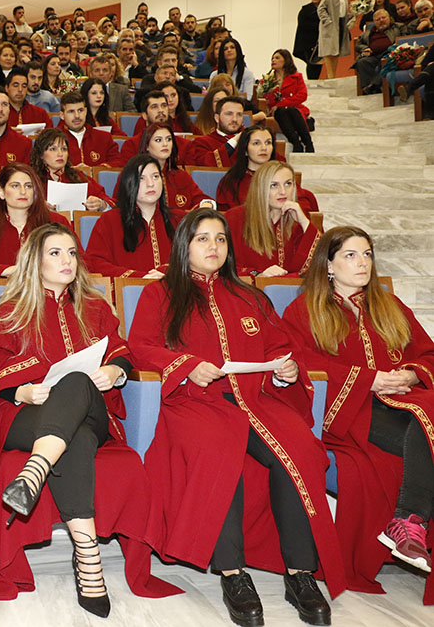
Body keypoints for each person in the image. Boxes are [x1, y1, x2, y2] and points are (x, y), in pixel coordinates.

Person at [128, 208, 343, 627]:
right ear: (184, 246)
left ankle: (300, 572)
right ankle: (233, 574)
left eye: (221, 239)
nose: (214, 246)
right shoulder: (160, 293)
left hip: (257, 399)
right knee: (217, 451)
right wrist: (186, 364)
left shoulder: (251, 296)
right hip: (195, 402)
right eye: (203, 239)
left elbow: (279, 346)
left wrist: (285, 369)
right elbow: (141, 346)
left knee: (300, 450)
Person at [0, 223, 183, 613]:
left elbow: (122, 351)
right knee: (75, 439)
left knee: (75, 381)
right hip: (29, 415)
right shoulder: (11, 310)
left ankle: (34, 472)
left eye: (72, 253)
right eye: (55, 253)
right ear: (35, 261)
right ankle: (88, 555)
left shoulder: (95, 307)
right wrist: (21, 391)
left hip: (91, 413)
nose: (67, 261)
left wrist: (115, 371)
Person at [281, 226, 434, 600]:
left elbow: (427, 353)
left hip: (406, 404)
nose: (362, 262)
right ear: (328, 264)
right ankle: (410, 521)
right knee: (425, 423)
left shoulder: (390, 305)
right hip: (350, 412)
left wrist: (413, 373)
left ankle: (406, 520)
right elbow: (302, 363)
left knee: (425, 415)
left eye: (367, 254)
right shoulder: (304, 310)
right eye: (350, 255)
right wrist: (369, 379)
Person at [0, 163, 72, 278]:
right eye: (15, 186)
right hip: (2, 288)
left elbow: (76, 258)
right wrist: (5, 270)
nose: (23, 191)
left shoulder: (56, 223)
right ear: (2, 192)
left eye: (28, 186)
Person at [85, 154, 182, 279]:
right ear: (129, 183)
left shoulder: (179, 220)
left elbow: (194, 262)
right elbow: (94, 263)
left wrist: (166, 273)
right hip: (128, 290)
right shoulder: (109, 220)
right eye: (141, 178)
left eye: (155, 176)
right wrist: (139, 278)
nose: (151, 184)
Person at [224, 161, 321, 278]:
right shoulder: (234, 218)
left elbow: (320, 265)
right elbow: (225, 266)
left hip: (289, 288)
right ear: (260, 189)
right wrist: (258, 275)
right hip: (247, 287)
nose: (283, 192)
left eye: (288, 184)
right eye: (274, 185)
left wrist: (304, 222)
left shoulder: (297, 222)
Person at [216, 125, 318, 213]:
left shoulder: (282, 175)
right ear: (245, 150)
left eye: (268, 142)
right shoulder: (232, 181)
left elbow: (301, 202)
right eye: (256, 143)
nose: (264, 148)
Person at [29, 128, 112, 211]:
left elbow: (109, 204)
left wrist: (101, 204)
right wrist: (36, 207)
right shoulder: (32, 180)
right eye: (53, 149)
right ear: (41, 154)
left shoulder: (79, 177)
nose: (60, 154)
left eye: (64, 149)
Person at [260, 49, 315, 154]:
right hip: (276, 111)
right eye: (272, 58)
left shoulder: (297, 77)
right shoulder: (267, 80)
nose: (273, 60)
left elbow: (302, 95)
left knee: (291, 110)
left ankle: (308, 143)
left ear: (286, 60)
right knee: (281, 111)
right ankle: (296, 142)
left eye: (277, 58)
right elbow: (265, 98)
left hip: (294, 109)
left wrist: (282, 104)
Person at [55, 90, 119, 168]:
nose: (77, 116)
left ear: (85, 111)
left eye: (80, 110)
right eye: (71, 111)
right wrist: (70, 171)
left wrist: (92, 170)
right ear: (62, 115)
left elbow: (117, 162)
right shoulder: (52, 139)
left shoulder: (104, 137)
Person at [184, 96, 247, 168]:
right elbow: (205, 167)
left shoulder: (249, 140)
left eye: (239, 114)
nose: (235, 119)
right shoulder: (202, 142)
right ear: (217, 118)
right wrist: (234, 142)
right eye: (229, 114)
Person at [354, 9, 403, 95]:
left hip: (390, 53)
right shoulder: (368, 33)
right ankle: (370, 89)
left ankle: (374, 86)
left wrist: (397, 45)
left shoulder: (398, 27)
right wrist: (365, 48)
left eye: (383, 18)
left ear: (389, 18)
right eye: (378, 19)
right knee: (362, 62)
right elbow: (358, 44)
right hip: (373, 55)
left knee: (386, 60)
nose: (381, 20)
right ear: (374, 22)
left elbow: (405, 37)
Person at [318, 0, 351, 79]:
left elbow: (343, 12)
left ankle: (333, 74)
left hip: (341, 24)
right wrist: (328, 21)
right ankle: (331, 75)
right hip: (330, 25)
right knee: (329, 50)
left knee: (336, 51)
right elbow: (321, 9)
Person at [293, 0, 325, 80]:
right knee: (311, 62)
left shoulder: (324, 10)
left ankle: (315, 80)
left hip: (319, 41)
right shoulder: (306, 9)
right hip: (307, 42)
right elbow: (302, 24)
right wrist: (318, 26)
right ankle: (312, 81)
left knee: (318, 63)